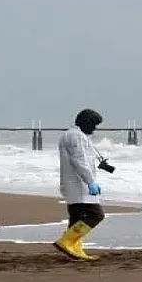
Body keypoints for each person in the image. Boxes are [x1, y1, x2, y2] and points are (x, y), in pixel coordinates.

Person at [53, 108, 106, 261]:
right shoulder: (75, 136)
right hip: (78, 184)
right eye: (93, 124)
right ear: (86, 122)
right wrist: (90, 182)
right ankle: (67, 241)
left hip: (75, 184)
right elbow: (79, 161)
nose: (94, 129)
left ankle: (75, 249)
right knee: (96, 214)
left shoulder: (76, 135)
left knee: (76, 217)